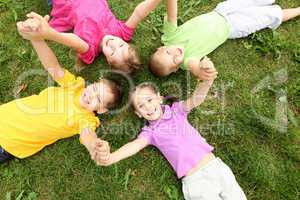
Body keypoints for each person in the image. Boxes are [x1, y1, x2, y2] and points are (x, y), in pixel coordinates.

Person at [93, 58, 247, 199]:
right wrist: (111, 158)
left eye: (149, 99)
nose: (147, 106)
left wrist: (206, 82)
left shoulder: (176, 111)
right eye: (141, 105)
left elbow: (196, 100)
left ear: (159, 98)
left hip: (216, 167)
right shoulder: (149, 133)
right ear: (138, 114)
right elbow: (133, 146)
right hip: (196, 181)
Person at [0, 20, 113, 164]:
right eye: (95, 89)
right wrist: (36, 39)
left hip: (10, 143)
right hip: (4, 115)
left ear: (102, 110)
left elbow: (87, 135)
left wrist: (93, 146)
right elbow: (53, 67)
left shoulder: (86, 119)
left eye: (99, 98)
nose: (91, 95)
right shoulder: (75, 85)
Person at [149, 0, 300, 77]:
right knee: (268, 16)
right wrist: (201, 72)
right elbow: (195, 67)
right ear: (176, 68)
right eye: (174, 60)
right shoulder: (188, 60)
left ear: (161, 47)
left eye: (168, 53)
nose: (175, 54)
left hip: (221, 11)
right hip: (234, 26)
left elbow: (172, 15)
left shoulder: (169, 37)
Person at [19, 0, 163, 73]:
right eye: (121, 45)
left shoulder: (90, 50)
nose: (113, 43)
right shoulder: (122, 33)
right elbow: (139, 13)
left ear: (108, 60)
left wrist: (49, 33)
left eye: (113, 51)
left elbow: (72, 41)